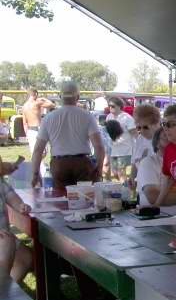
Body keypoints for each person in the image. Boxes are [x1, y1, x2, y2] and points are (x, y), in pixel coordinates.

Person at [31, 81, 104, 190]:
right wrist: (99, 168)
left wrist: (35, 174)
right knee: (85, 200)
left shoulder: (48, 118)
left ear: (60, 97)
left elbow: (37, 150)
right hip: (82, 164)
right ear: (77, 97)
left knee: (61, 201)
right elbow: (98, 146)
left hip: (59, 164)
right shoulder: (87, 116)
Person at [0, 157, 32, 285]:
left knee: (25, 258)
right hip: (3, 239)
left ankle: (7, 288)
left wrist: (21, 205)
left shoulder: (1, 182)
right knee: (6, 248)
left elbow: (11, 197)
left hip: (5, 234)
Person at [136, 128, 176, 210]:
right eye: (166, 136)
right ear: (157, 143)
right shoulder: (148, 162)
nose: (172, 139)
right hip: (159, 218)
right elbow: (153, 196)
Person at [129, 104, 160, 190]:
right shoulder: (140, 139)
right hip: (141, 188)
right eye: (139, 127)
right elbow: (135, 162)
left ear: (156, 124)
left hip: (158, 189)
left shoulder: (163, 141)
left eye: (146, 127)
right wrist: (132, 177)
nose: (142, 131)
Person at [106, 96, 136, 181]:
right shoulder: (109, 117)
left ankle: (125, 192)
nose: (110, 108)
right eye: (109, 106)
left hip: (125, 150)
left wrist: (138, 146)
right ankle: (126, 187)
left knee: (121, 173)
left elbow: (134, 133)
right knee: (114, 173)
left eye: (113, 106)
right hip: (113, 149)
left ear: (120, 106)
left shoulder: (127, 118)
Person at [22, 88, 55, 158]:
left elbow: (24, 123)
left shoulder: (24, 106)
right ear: (36, 94)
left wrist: (26, 135)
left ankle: (37, 166)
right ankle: (39, 166)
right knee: (43, 152)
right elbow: (52, 105)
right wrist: (43, 98)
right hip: (38, 129)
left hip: (30, 131)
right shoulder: (36, 102)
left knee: (35, 152)